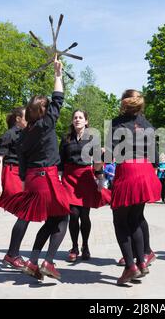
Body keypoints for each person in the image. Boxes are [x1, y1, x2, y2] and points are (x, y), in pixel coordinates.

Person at [3, 55, 71, 281]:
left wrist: (25, 180)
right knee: (62, 219)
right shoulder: (45, 125)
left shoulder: (22, 136)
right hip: (46, 177)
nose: (51, 108)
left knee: (51, 220)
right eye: (47, 106)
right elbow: (58, 98)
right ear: (42, 111)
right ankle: (48, 262)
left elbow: (21, 167)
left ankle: (33, 261)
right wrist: (58, 74)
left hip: (31, 180)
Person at [101, 89, 160, 285]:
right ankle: (141, 263)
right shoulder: (148, 124)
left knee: (120, 221)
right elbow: (156, 157)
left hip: (128, 170)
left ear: (124, 103)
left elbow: (109, 155)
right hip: (145, 172)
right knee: (135, 220)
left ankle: (129, 267)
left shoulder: (118, 123)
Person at [59, 109, 111, 263]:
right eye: (75, 117)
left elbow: (97, 160)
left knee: (84, 215)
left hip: (86, 177)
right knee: (73, 214)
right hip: (69, 178)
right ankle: (74, 247)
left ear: (86, 121)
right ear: (72, 121)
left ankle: (85, 246)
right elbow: (60, 160)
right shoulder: (66, 138)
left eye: (80, 117)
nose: (77, 120)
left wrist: (100, 178)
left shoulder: (92, 138)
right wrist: (58, 177)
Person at [0, 106, 28, 269]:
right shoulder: (9, 135)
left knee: (26, 213)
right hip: (11, 174)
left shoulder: (25, 134)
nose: (29, 119)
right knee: (26, 212)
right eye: (26, 117)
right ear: (18, 118)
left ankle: (12, 254)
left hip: (21, 174)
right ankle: (12, 255)